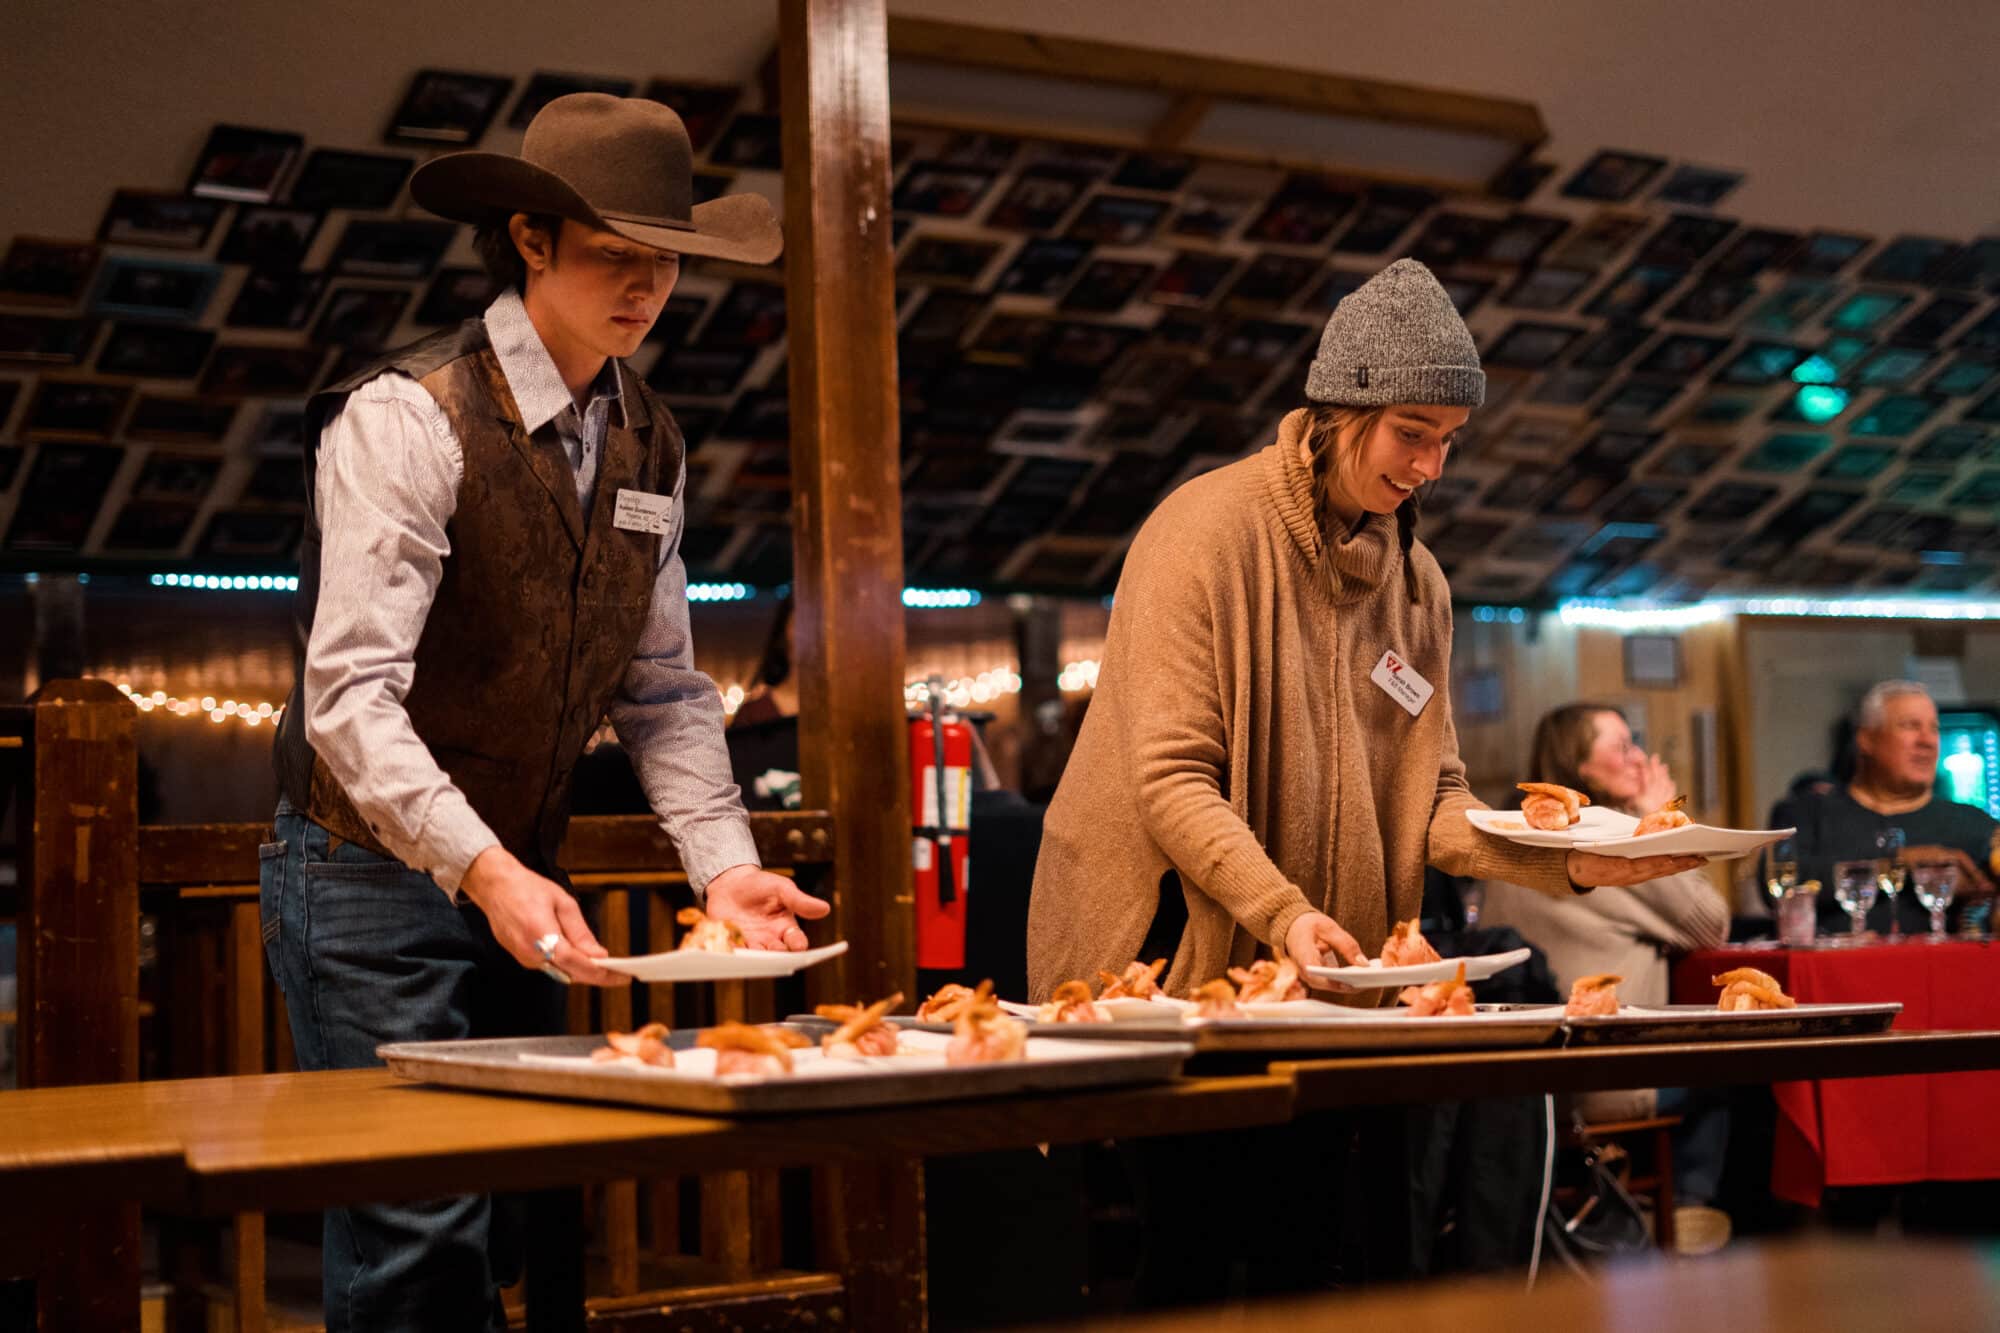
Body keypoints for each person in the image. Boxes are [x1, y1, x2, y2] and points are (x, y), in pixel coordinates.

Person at [1024, 259, 1705, 1302]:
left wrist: (1572, 855)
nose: (1429, 464)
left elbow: (1430, 797)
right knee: (1194, 1270)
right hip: (1167, 950)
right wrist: (1280, 911)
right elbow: (1167, 780)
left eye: (1446, 441)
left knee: (1324, 1268)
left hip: (1327, 970)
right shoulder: (1201, 533)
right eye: (1410, 432)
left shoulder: (1416, 583)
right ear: (1338, 410)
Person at [262, 94, 825, 1331]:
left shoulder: (650, 442)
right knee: (416, 1228)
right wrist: (484, 869)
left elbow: (665, 691)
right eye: (613, 253)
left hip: (520, 864)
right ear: (528, 239)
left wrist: (725, 870)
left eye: (664, 257)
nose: (645, 285)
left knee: (518, 1209)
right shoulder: (410, 415)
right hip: (361, 869)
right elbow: (350, 696)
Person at [1478, 704, 1732, 1244]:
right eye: (1622, 746)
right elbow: (1712, 925)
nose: (1640, 756)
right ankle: (1685, 1210)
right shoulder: (1611, 843)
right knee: (1735, 1067)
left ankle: (1641, 1205)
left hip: (1525, 1080)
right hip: (1606, 1079)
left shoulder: (1510, 836)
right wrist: (1658, 811)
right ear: (1581, 768)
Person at [1775, 680, 1999, 935]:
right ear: (1866, 739)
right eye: (1910, 726)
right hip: (1833, 972)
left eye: (1934, 729)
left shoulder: (1973, 824)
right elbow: (1780, 886)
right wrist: (1899, 862)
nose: (1927, 741)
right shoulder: (1808, 814)